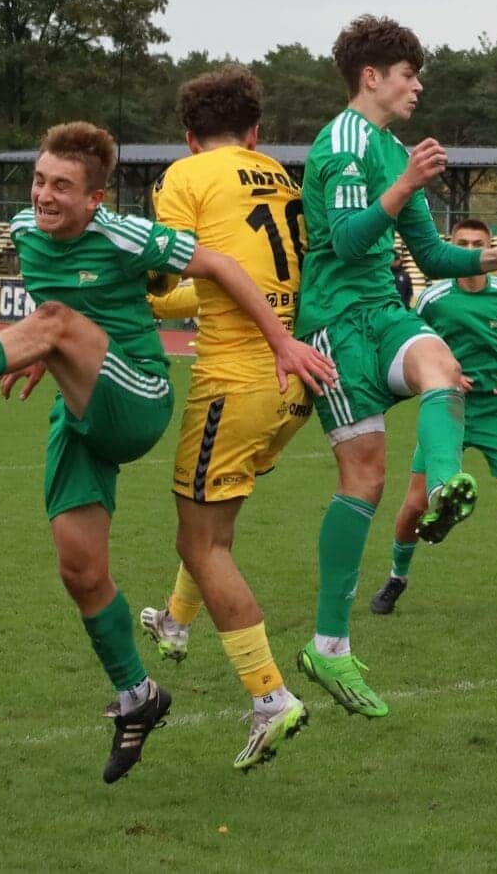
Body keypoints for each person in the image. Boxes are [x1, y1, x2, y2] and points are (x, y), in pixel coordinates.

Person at [0, 120, 336, 783]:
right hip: (82, 409)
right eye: (39, 180)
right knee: (80, 571)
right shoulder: (26, 231)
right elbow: (57, 310)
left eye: (62, 185)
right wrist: (46, 355)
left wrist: (282, 343)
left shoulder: (124, 234)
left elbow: (222, 265)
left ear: (95, 199)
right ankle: (137, 696)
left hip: (139, 395)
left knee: (55, 323)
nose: (44, 195)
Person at [290, 15, 497, 719]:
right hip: (336, 324)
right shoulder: (344, 143)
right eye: (409, 74)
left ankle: (442, 488)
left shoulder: (391, 148)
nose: (418, 86)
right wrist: (404, 183)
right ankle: (329, 646)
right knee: (365, 481)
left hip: (383, 311)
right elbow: (347, 243)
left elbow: (431, 255)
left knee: (443, 364)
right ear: (371, 77)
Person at [127, 66, 331, 773]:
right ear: (255, 132)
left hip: (235, 381)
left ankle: (271, 697)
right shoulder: (280, 177)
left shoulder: (185, 177)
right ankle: (176, 622)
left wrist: (135, 284)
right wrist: (167, 302)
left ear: (189, 136)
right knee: (214, 527)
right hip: (295, 379)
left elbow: (165, 268)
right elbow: (244, 280)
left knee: (199, 540)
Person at [373, 218, 497, 620]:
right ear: (451, 246)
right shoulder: (433, 298)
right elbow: (415, 346)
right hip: (447, 409)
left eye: (478, 243)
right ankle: (396, 578)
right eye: (462, 243)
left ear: (490, 246)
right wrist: (447, 376)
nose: (470, 249)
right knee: (415, 504)